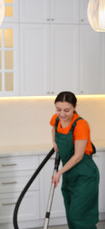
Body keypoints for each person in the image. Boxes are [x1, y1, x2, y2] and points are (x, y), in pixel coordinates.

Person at [50, 91, 99, 229]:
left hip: (85, 174)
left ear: (75, 107)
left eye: (67, 110)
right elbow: (53, 129)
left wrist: (59, 173)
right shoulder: (57, 119)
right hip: (69, 174)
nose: (62, 114)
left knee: (80, 217)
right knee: (71, 215)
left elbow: (78, 156)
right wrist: (54, 143)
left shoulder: (80, 125)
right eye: (58, 109)